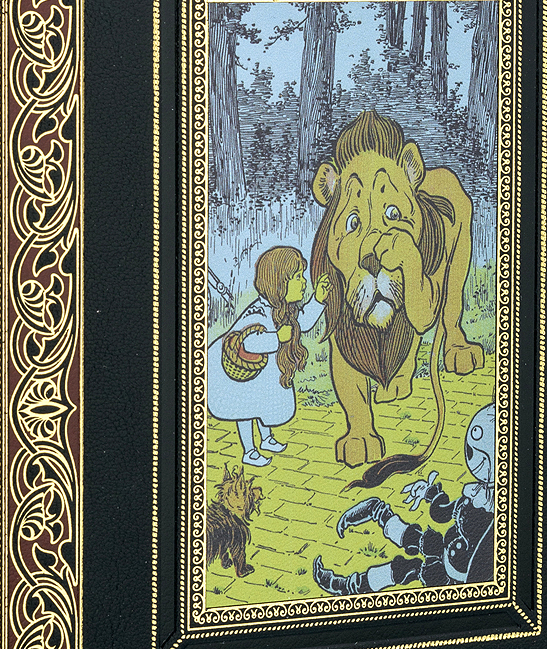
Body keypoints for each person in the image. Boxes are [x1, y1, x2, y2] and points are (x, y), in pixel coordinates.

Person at [313, 403, 496, 593]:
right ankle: (377, 511)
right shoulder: (473, 494)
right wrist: (430, 493)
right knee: (412, 539)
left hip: (452, 578)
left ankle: (347, 586)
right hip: (442, 549)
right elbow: (441, 513)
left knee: (404, 569)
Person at [207, 246, 330, 466]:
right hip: (239, 374)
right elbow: (249, 342)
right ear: (278, 282)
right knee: (245, 410)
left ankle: (266, 438)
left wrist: (318, 299)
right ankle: (249, 451)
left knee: (263, 403)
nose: (303, 282)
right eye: (297, 277)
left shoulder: (283, 310)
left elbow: (302, 323)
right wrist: (277, 338)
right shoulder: (258, 311)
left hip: (260, 374)